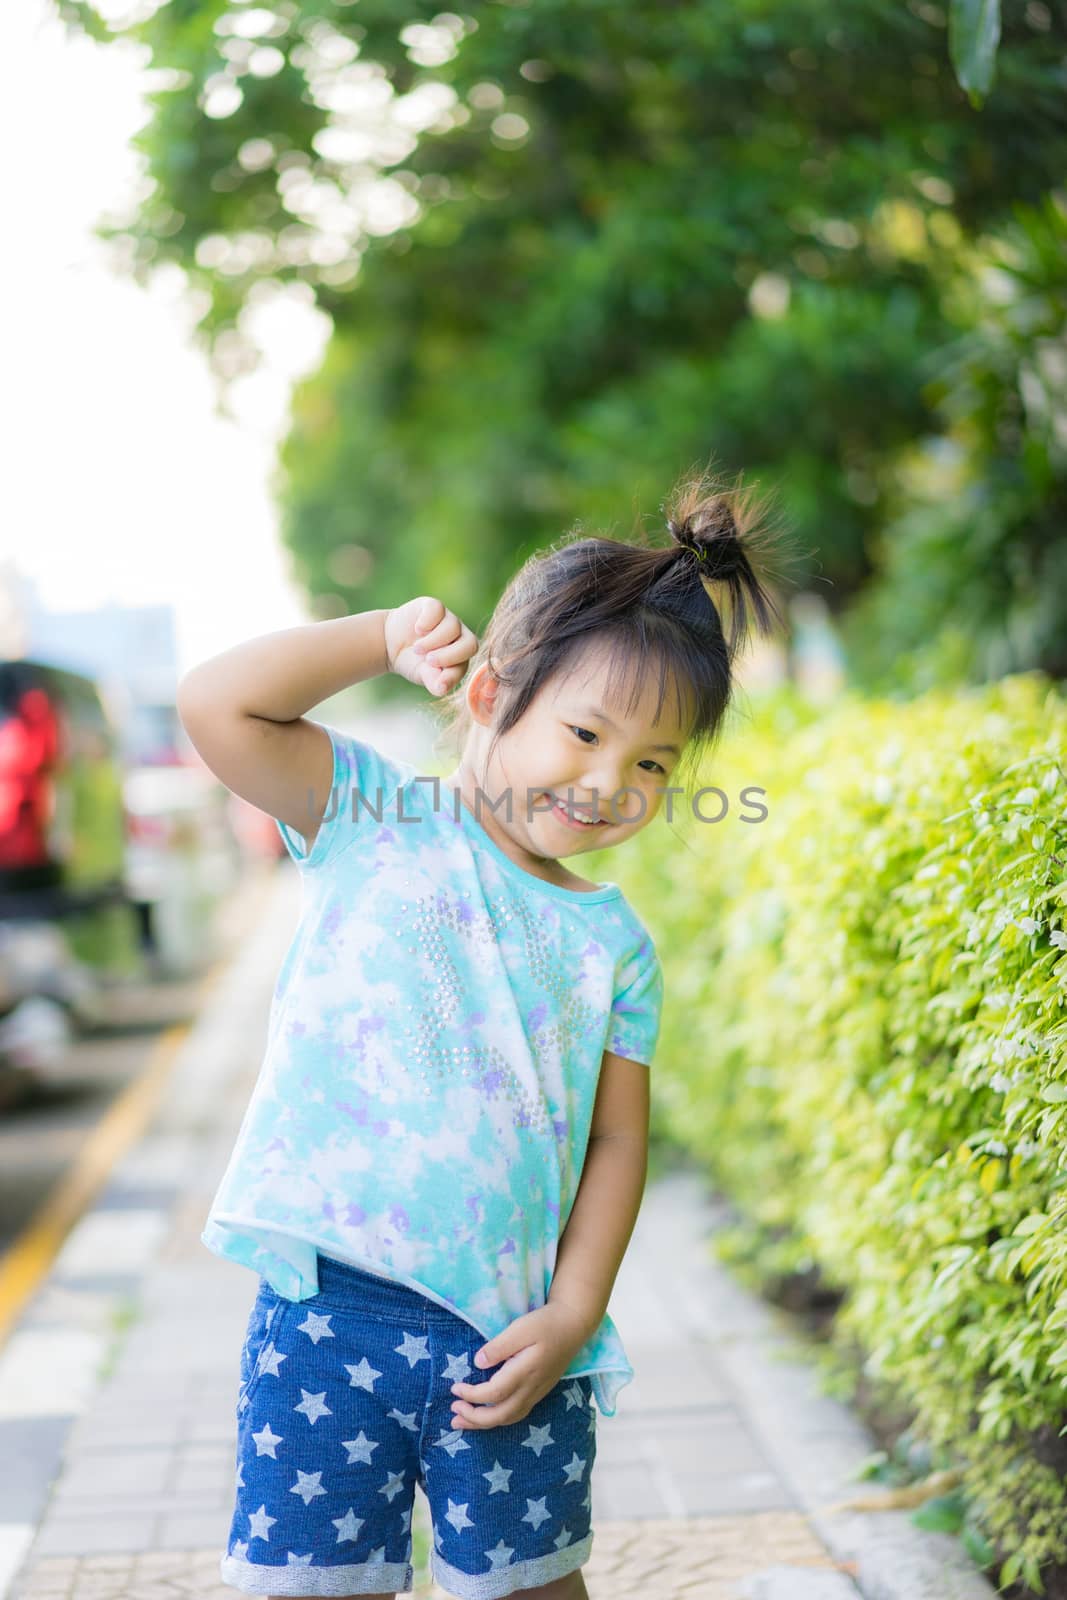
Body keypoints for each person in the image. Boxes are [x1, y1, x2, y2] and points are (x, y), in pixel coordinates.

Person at [176, 464, 790, 1600]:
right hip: (328, 1318)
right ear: (488, 693)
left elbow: (614, 1146)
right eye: (584, 731)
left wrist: (573, 1312)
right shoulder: (372, 818)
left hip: (510, 1341)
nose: (611, 781)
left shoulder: (614, 945)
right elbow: (219, 704)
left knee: (532, 1584)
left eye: (652, 762)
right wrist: (379, 634)